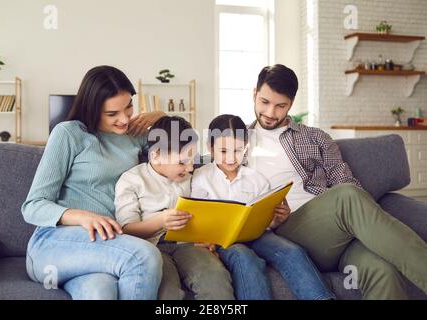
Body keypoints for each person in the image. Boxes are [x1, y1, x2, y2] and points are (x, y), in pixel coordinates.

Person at [246, 64, 427, 299]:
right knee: (347, 196)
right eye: (264, 102)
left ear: (291, 104)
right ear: (254, 94)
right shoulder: (236, 142)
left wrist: (364, 225)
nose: (270, 112)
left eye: (280, 106)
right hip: (287, 234)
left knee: (384, 273)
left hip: (334, 234)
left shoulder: (316, 138)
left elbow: (345, 180)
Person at [21, 65, 167, 300]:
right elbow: (33, 206)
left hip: (105, 247)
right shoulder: (69, 133)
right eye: (112, 114)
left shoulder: (134, 135)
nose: (124, 119)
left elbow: (178, 153)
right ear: (93, 108)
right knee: (144, 256)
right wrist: (82, 216)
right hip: (55, 243)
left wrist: (160, 117)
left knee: (100, 292)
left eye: (129, 106)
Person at [191, 114, 334, 300]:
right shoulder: (201, 177)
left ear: (246, 148)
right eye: (223, 151)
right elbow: (198, 218)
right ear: (210, 148)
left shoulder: (255, 179)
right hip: (224, 241)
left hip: (258, 235)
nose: (231, 158)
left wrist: (276, 220)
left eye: (237, 150)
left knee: (292, 251)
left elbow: (267, 221)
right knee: (244, 257)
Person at [115, 116, 235, 300]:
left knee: (216, 279)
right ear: (155, 155)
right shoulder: (131, 180)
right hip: (152, 248)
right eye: (182, 162)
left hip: (188, 245)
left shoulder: (193, 178)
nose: (189, 167)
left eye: (192, 160)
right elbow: (126, 229)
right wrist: (161, 221)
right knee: (167, 292)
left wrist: (207, 238)